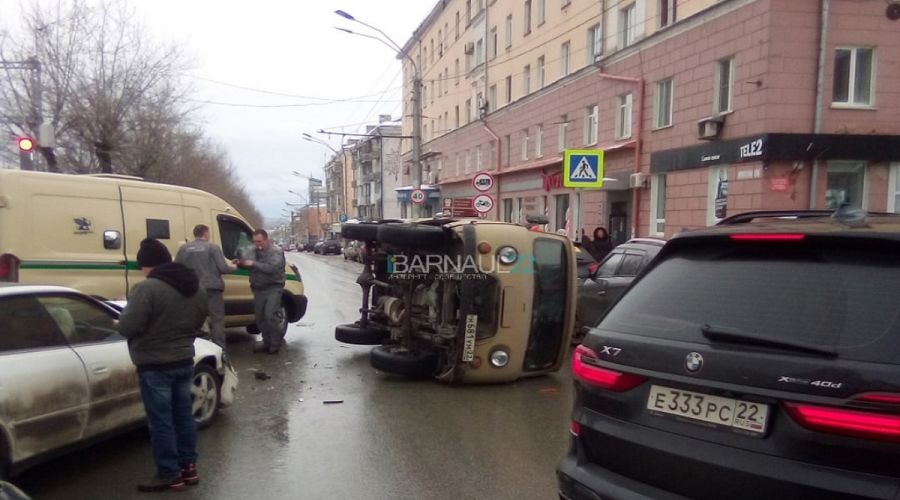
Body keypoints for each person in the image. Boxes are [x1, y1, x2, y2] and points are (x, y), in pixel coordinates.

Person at [118, 238, 208, 492]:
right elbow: (199, 320)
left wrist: (120, 322)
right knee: (184, 416)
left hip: (154, 365)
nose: (142, 271)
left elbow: (128, 326)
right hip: (183, 360)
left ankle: (169, 473)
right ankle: (189, 468)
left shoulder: (147, 289)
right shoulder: (196, 288)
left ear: (149, 265)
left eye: (142, 266)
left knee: (161, 422)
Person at [175, 224, 237, 349]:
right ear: (206, 233)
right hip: (212, 288)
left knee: (197, 319)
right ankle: (219, 348)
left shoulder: (184, 248)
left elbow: (177, 267)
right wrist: (234, 266)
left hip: (193, 289)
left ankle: (199, 347)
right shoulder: (213, 248)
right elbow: (223, 268)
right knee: (217, 320)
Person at [236, 229, 287, 354]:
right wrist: (241, 263)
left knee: (270, 315)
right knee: (260, 318)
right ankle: (266, 342)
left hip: (273, 287)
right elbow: (247, 262)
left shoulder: (276, 251)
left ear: (266, 239)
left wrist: (253, 263)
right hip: (258, 288)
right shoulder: (254, 251)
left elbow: (272, 268)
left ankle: (275, 343)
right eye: (255, 242)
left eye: (259, 241)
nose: (257, 244)